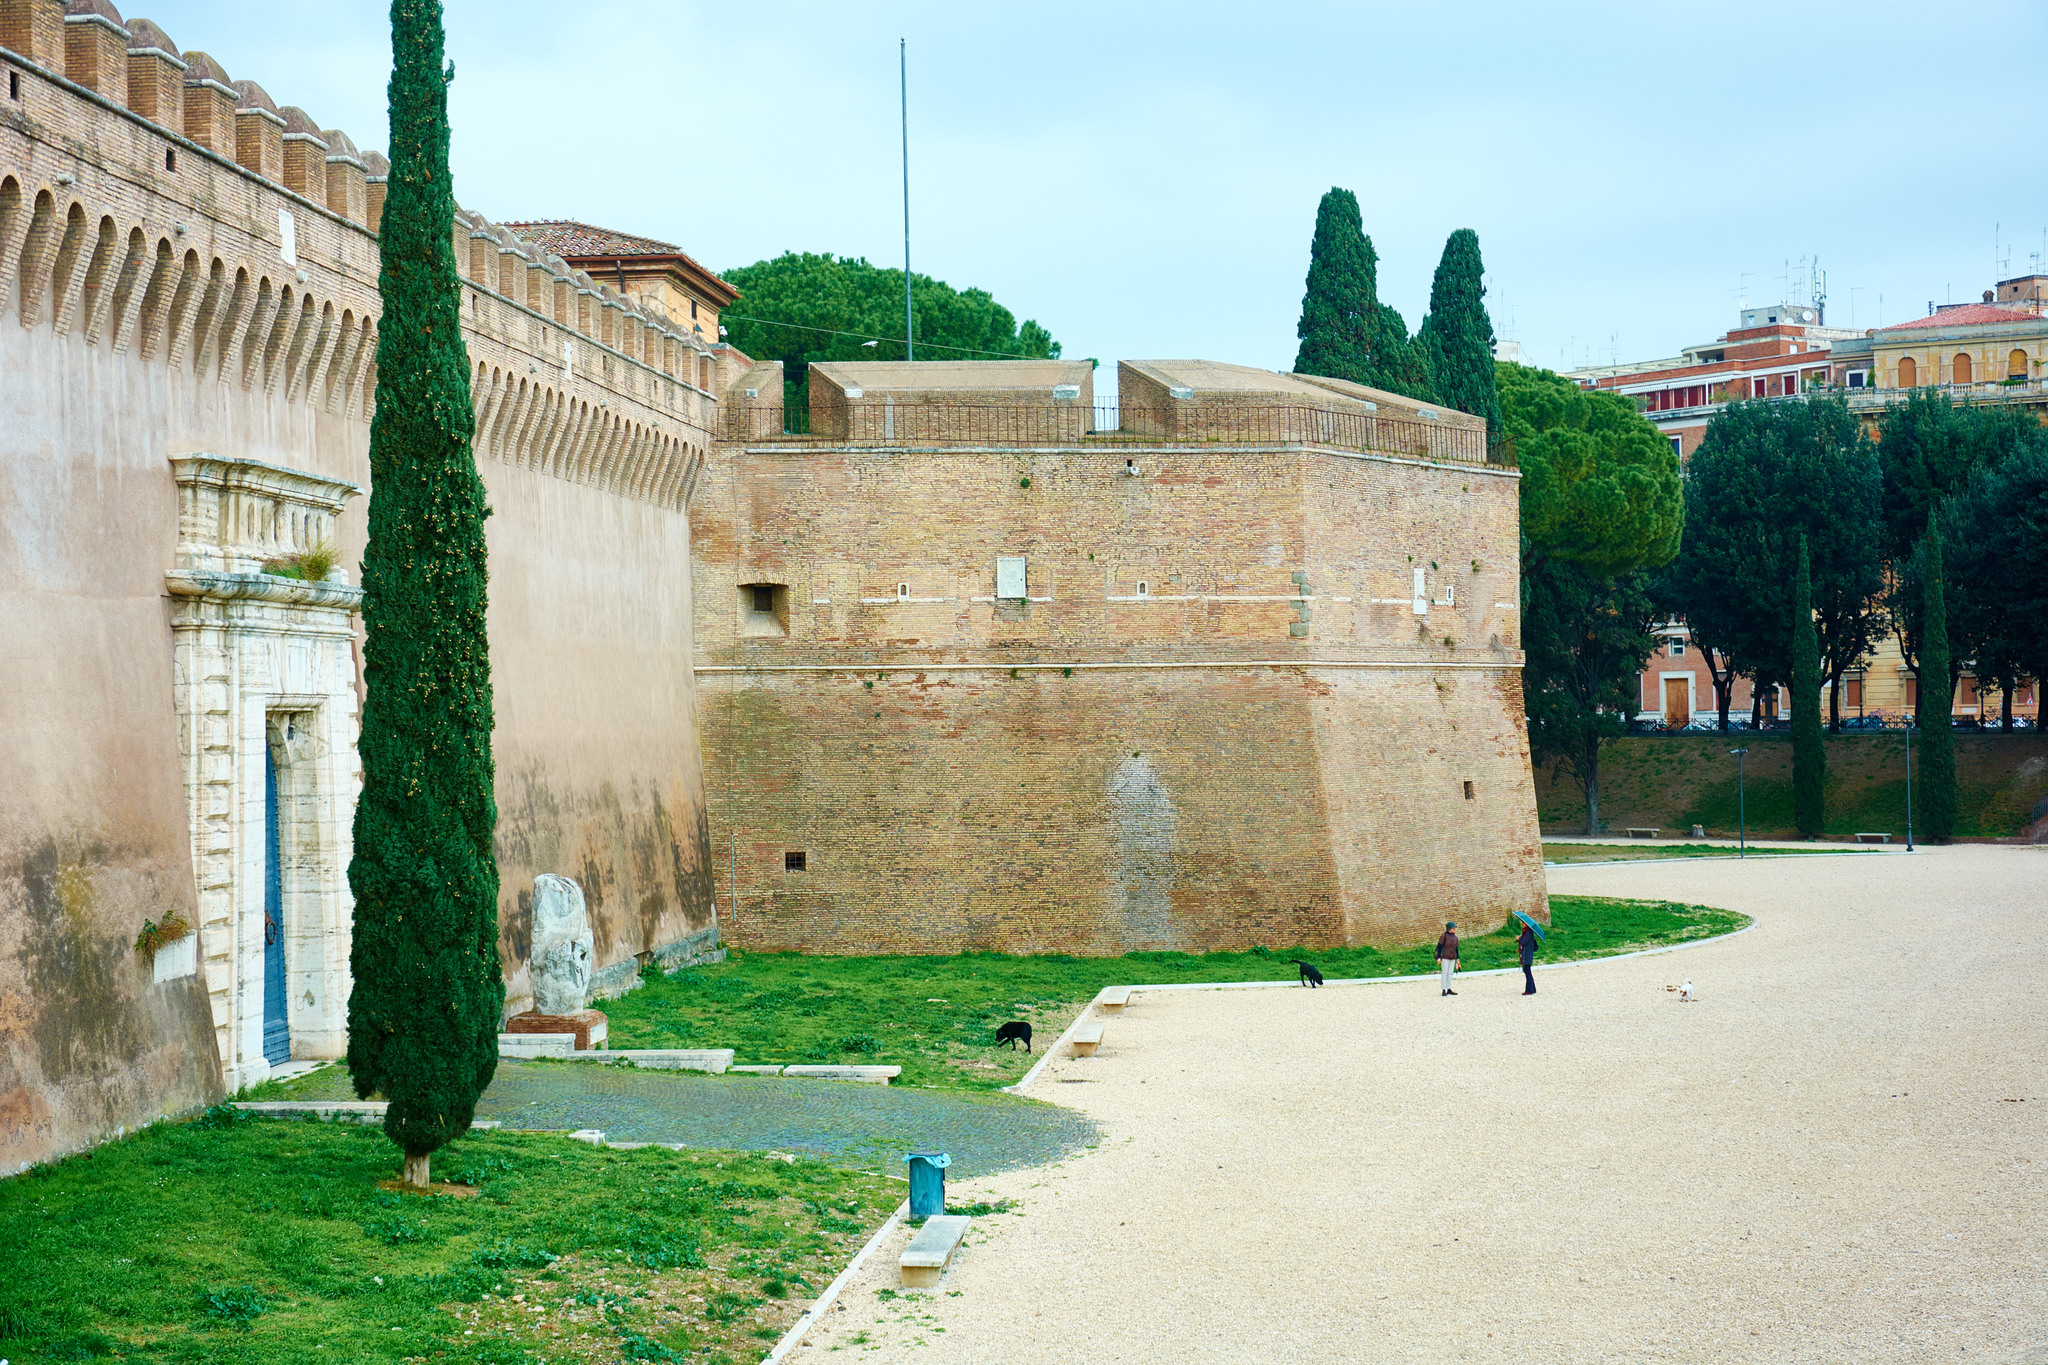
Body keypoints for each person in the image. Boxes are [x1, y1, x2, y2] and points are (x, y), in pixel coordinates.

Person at [1435, 921, 1460, 996]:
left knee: (1450, 973)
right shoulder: (1444, 936)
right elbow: (1440, 947)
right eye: (1453, 928)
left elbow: (1456, 949)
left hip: (1452, 957)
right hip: (1445, 957)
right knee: (1444, 973)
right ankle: (1443, 989)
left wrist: (1457, 958)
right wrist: (1439, 957)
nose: (1454, 929)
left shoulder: (1455, 937)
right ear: (1449, 928)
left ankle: (1449, 988)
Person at [1518, 919, 1538, 995]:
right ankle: (1532, 989)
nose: (1522, 924)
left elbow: (1524, 942)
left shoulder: (1528, 932)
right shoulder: (1526, 932)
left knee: (1527, 972)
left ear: (1526, 924)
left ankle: (1529, 990)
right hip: (1527, 954)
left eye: (1523, 922)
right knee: (1528, 972)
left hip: (1527, 955)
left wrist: (1519, 939)